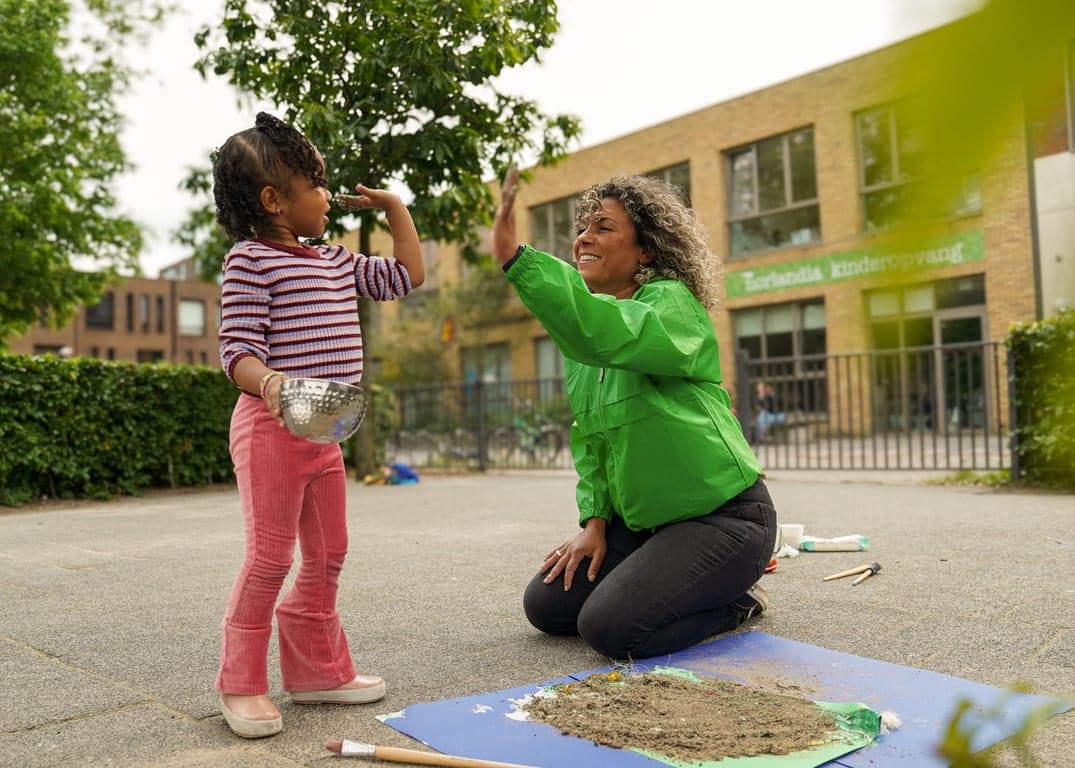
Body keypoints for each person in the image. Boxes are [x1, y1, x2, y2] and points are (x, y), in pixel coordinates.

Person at [492, 169, 778, 661]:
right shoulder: (587, 342)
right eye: (583, 227)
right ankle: (670, 580)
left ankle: (736, 603)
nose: (584, 237)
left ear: (645, 250)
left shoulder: (672, 306)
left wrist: (519, 262)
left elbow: (611, 331)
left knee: (611, 630)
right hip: (649, 527)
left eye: (604, 227)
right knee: (547, 606)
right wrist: (595, 521)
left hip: (726, 522)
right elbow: (593, 444)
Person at [213, 112, 423, 738]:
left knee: (330, 550)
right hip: (274, 426)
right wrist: (271, 382)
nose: (327, 195)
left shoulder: (333, 259)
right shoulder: (249, 262)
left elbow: (407, 277)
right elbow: (238, 353)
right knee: (271, 558)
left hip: (326, 424)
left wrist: (398, 214)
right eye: (316, 184)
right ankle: (240, 682)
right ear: (275, 200)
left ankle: (317, 671)